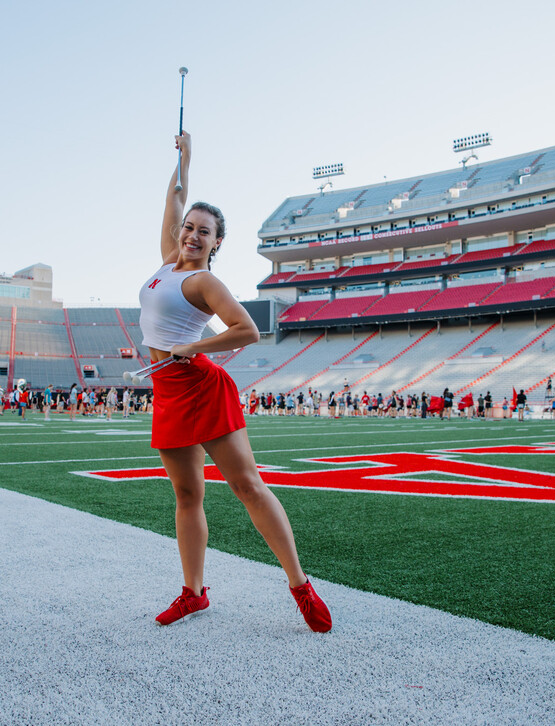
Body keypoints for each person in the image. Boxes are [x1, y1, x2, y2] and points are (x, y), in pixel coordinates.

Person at [140, 131, 330, 632]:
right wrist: (186, 158)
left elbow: (247, 329)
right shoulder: (165, 265)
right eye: (189, 228)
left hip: (201, 384)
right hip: (167, 392)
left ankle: (299, 586)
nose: (192, 235)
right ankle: (193, 593)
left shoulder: (205, 282)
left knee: (246, 485)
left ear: (217, 241)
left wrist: (193, 347)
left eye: (204, 232)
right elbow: (174, 198)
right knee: (186, 496)